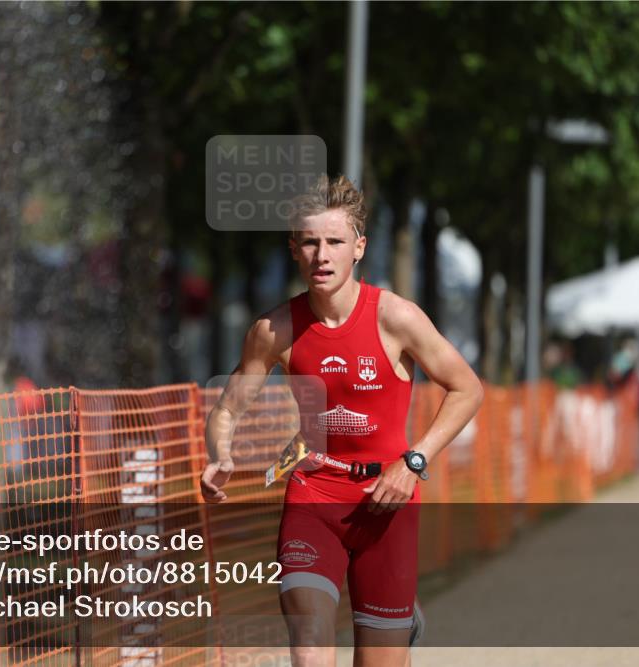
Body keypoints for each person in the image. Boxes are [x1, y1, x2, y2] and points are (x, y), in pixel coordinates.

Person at [199, 175, 484, 666]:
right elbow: (227, 408)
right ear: (294, 249)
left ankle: (399, 622)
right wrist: (219, 453)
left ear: (359, 247)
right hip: (314, 495)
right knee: (310, 651)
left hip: (388, 504)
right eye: (310, 242)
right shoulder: (274, 330)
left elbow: (468, 389)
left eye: (334, 241)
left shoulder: (396, 318)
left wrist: (413, 461)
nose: (322, 255)